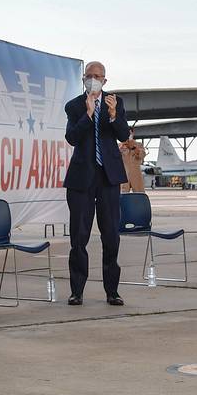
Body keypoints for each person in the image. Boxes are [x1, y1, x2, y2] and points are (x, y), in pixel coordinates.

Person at [63, 61, 131, 306]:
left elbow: (124, 135)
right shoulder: (74, 106)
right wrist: (89, 114)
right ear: (84, 79)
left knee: (111, 235)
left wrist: (113, 116)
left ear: (105, 80)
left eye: (98, 76)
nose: (94, 79)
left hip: (108, 177)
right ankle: (77, 290)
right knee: (79, 236)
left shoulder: (116, 103)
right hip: (82, 178)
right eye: (89, 76)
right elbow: (72, 137)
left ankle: (112, 291)